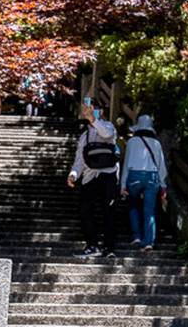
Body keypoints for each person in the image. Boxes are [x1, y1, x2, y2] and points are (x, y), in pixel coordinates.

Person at [66, 99, 119, 257]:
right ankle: (92, 244)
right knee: (85, 209)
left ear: (100, 111)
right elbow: (80, 160)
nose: (88, 111)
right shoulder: (84, 136)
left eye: (92, 108)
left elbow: (107, 134)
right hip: (90, 177)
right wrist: (73, 174)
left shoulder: (108, 126)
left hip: (108, 175)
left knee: (109, 210)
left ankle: (109, 247)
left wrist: (94, 119)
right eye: (86, 108)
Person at [119, 114, 167, 250]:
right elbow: (161, 166)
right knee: (149, 210)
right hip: (152, 177)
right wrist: (163, 185)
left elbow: (126, 164)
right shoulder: (156, 143)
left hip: (134, 176)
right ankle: (149, 242)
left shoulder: (132, 142)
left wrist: (123, 185)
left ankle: (136, 236)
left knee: (133, 205)